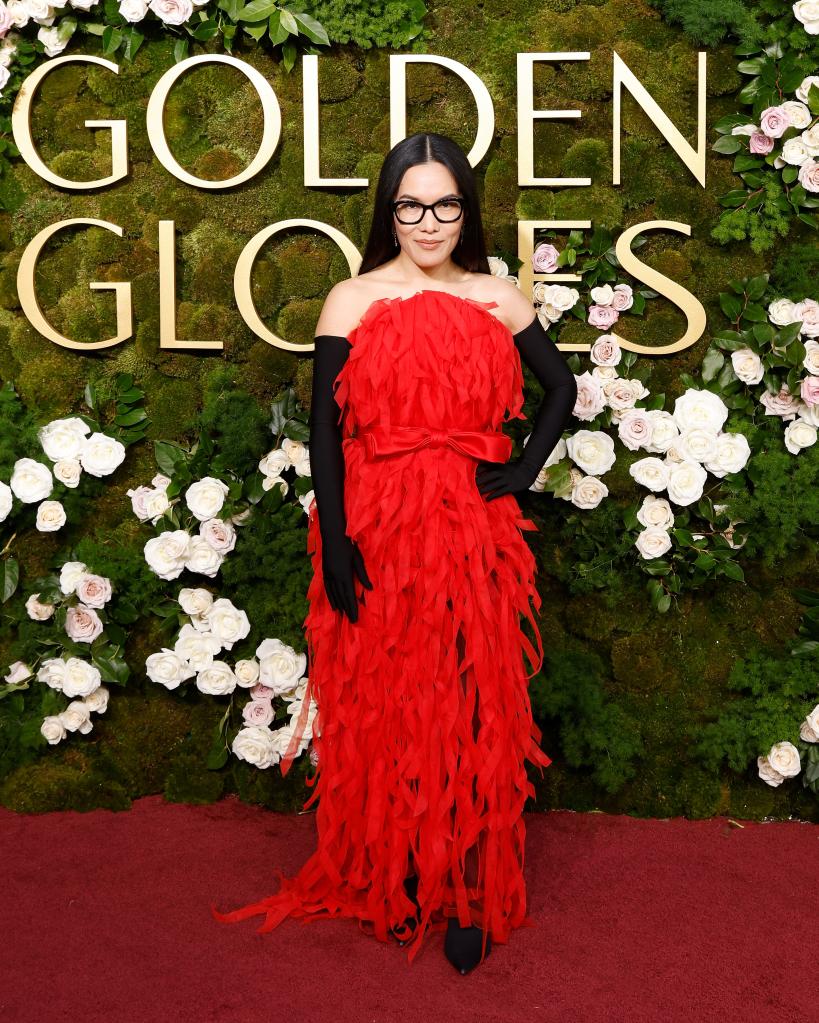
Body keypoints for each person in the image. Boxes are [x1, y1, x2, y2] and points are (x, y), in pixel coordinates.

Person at [211, 132, 578, 974]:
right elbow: (323, 432)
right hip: (376, 518)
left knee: (469, 691)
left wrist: (519, 470)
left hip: (468, 523)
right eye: (410, 205)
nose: (427, 221)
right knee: (387, 693)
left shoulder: (496, 297)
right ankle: (400, 865)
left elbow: (559, 388)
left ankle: (470, 885)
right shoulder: (351, 298)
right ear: (389, 210)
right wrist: (335, 538)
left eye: (444, 204)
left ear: (465, 211)